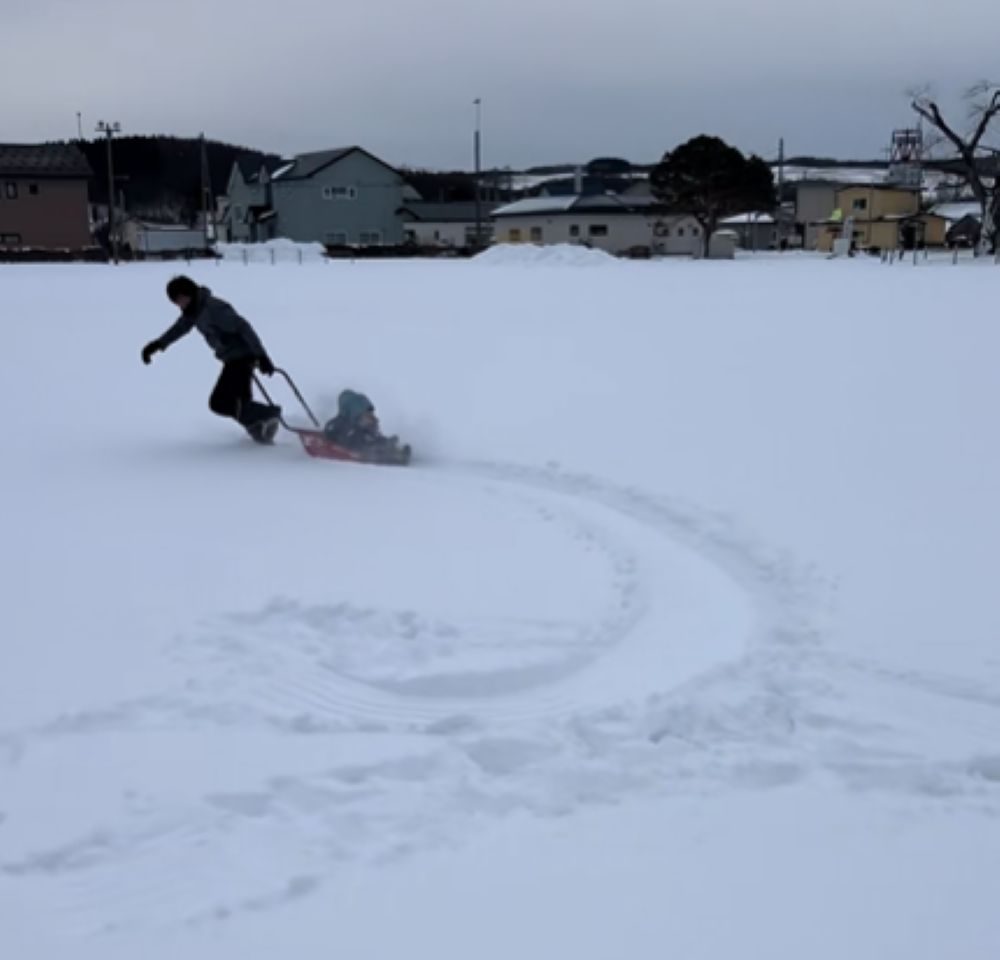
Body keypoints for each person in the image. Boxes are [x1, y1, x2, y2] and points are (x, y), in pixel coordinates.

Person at [141, 276, 282, 444]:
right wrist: (157, 345)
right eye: (175, 302)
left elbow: (243, 327)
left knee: (220, 402)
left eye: (179, 300)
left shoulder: (213, 308)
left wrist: (261, 356)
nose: (178, 305)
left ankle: (268, 415)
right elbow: (180, 328)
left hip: (241, 358)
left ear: (188, 293)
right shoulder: (194, 311)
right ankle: (259, 431)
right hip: (231, 359)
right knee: (240, 402)